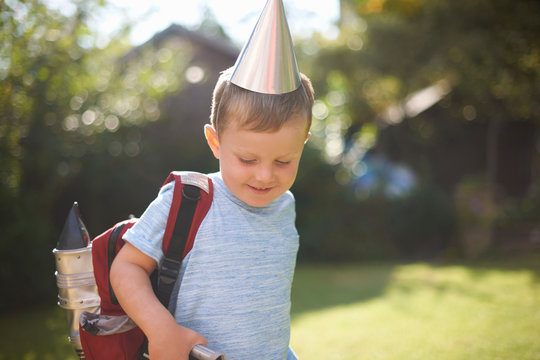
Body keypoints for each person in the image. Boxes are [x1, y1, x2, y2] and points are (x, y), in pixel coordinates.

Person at [110, 1, 315, 358]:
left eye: (284, 160)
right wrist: (161, 329)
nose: (265, 175)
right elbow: (127, 268)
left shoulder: (286, 205)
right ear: (215, 142)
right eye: (247, 159)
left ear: (303, 145)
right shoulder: (189, 199)